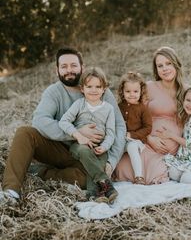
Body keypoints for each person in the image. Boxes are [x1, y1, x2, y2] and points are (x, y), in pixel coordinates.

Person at [0, 47, 126, 205]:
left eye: (73, 65)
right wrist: (76, 133)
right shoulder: (54, 92)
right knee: (25, 133)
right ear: (57, 70)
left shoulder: (98, 90)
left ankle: (40, 172)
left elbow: (119, 127)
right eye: (64, 66)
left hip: (88, 155)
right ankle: (11, 191)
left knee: (83, 179)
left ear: (82, 67)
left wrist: (111, 162)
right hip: (58, 149)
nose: (69, 70)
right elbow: (40, 120)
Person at [115, 46, 185, 184]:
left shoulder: (186, 91)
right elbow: (134, 116)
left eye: (168, 63)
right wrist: (149, 138)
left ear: (176, 64)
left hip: (170, 150)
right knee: (123, 168)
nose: (165, 68)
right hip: (145, 142)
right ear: (156, 70)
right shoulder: (149, 87)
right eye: (160, 65)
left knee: (155, 175)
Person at [59, 66, 117, 203]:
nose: (93, 90)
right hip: (79, 145)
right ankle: (107, 185)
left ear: (104, 89)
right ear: (82, 89)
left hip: (99, 147)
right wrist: (78, 135)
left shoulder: (109, 108)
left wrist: (105, 147)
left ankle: (95, 194)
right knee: (85, 152)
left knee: (97, 163)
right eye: (89, 86)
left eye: (98, 86)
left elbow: (111, 133)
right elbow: (63, 122)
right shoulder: (79, 104)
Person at [117, 72, 152, 184]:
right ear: (122, 92)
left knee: (132, 147)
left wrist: (132, 135)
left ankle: (139, 177)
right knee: (113, 149)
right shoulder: (119, 106)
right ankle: (107, 174)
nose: (132, 94)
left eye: (135, 91)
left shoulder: (143, 109)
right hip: (122, 139)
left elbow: (148, 128)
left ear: (141, 91)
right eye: (128, 91)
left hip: (137, 140)